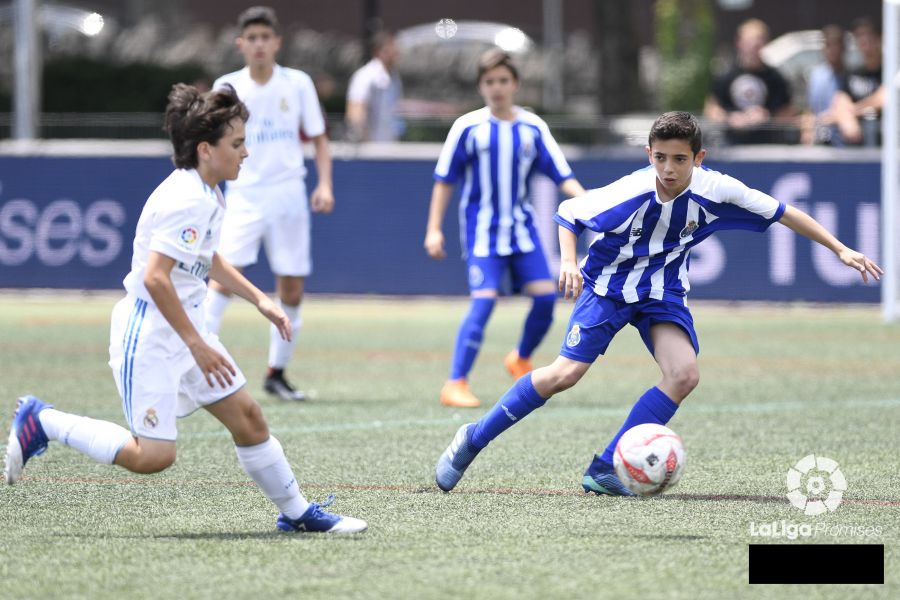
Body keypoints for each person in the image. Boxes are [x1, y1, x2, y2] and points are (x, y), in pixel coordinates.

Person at [435, 111, 882, 495]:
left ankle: (606, 468)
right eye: (660, 157)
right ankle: (473, 438)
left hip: (661, 293)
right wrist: (568, 262)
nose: (669, 168)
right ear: (649, 154)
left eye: (680, 159)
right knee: (563, 375)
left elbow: (784, 212)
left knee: (684, 374)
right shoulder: (630, 191)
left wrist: (840, 249)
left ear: (699, 158)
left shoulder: (717, 188)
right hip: (607, 288)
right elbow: (569, 214)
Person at [3, 84, 367, 533]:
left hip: (186, 328)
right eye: (237, 143)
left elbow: (206, 257)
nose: (246, 153)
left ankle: (297, 514)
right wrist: (196, 344)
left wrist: (259, 300)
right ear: (205, 149)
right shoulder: (187, 199)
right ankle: (43, 420)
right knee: (154, 456)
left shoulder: (208, 192)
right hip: (152, 335)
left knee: (249, 418)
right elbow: (156, 278)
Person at [424, 49, 586, 409]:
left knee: (546, 299)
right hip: (483, 233)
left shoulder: (533, 127)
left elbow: (562, 175)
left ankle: (520, 357)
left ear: (515, 84)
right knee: (483, 302)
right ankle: (455, 383)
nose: (496, 87)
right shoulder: (467, 127)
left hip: (523, 231)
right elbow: (444, 180)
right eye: (489, 81)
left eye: (503, 80)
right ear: (480, 86)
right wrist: (434, 229)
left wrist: (591, 203)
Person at [204, 6, 334, 402]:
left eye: (265, 38)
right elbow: (210, 140)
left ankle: (276, 372)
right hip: (243, 194)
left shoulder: (297, 83)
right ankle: (196, 360)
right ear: (240, 44)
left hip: (288, 192)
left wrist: (324, 184)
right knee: (223, 277)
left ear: (277, 42)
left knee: (291, 285)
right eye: (252, 38)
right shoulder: (227, 86)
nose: (259, 45)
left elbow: (319, 138)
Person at [704, 19, 795, 144]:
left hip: (768, 146)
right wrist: (731, 119)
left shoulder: (776, 78)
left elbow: (788, 112)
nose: (753, 48)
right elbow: (711, 109)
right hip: (732, 145)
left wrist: (767, 116)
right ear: (739, 42)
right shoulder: (726, 75)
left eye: (758, 44)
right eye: (749, 43)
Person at [829, 17, 884, 146]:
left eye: (869, 36)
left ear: (879, 39)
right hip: (856, 142)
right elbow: (840, 100)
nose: (865, 41)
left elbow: (884, 99)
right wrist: (846, 117)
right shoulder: (852, 72)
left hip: (884, 141)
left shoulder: (891, 70)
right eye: (860, 37)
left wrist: (851, 112)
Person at [345, 31, 403, 142]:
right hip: (369, 146)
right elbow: (355, 112)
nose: (396, 52)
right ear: (377, 51)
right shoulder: (365, 76)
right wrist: (364, 142)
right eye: (390, 49)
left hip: (389, 145)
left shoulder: (394, 77)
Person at [801, 25, 845, 145]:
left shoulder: (852, 76)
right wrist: (807, 131)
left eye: (836, 45)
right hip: (819, 140)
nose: (832, 50)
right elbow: (809, 109)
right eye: (828, 45)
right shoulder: (816, 75)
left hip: (844, 142)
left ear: (842, 48)